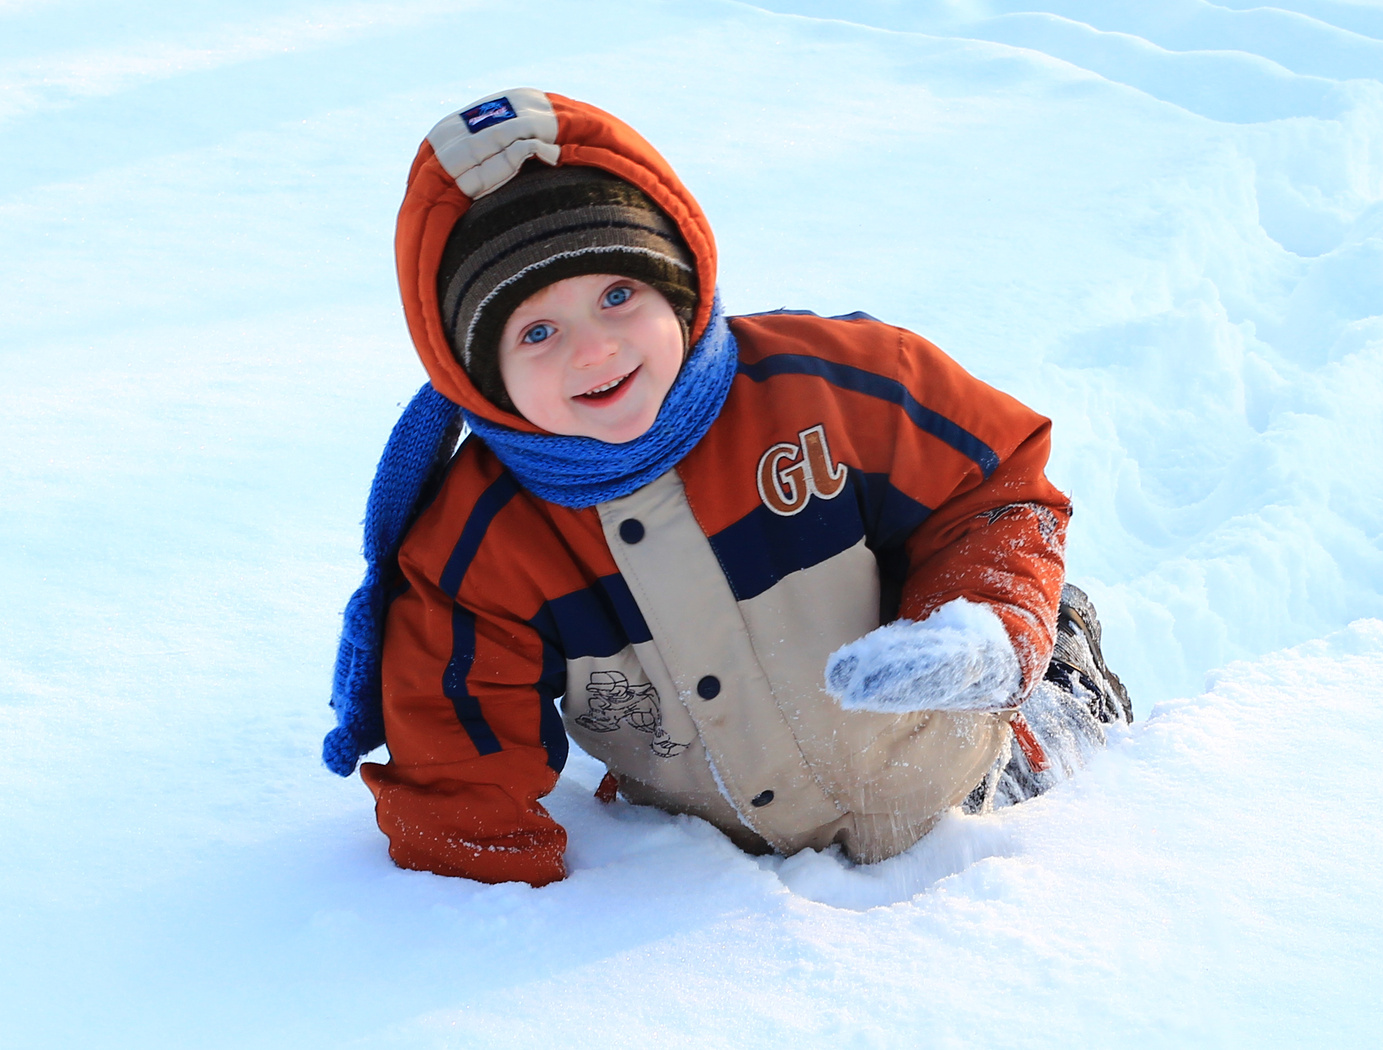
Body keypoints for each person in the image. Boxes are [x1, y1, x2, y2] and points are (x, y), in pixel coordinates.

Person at [322, 88, 1131, 885]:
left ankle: (1059, 659)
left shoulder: (831, 386)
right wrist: (489, 902)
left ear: (678, 285)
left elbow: (996, 486)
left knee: (1076, 765)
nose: (595, 352)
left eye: (617, 295)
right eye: (537, 331)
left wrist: (988, 626)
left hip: (975, 762)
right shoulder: (482, 543)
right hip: (714, 844)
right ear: (475, 375)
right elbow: (457, 750)